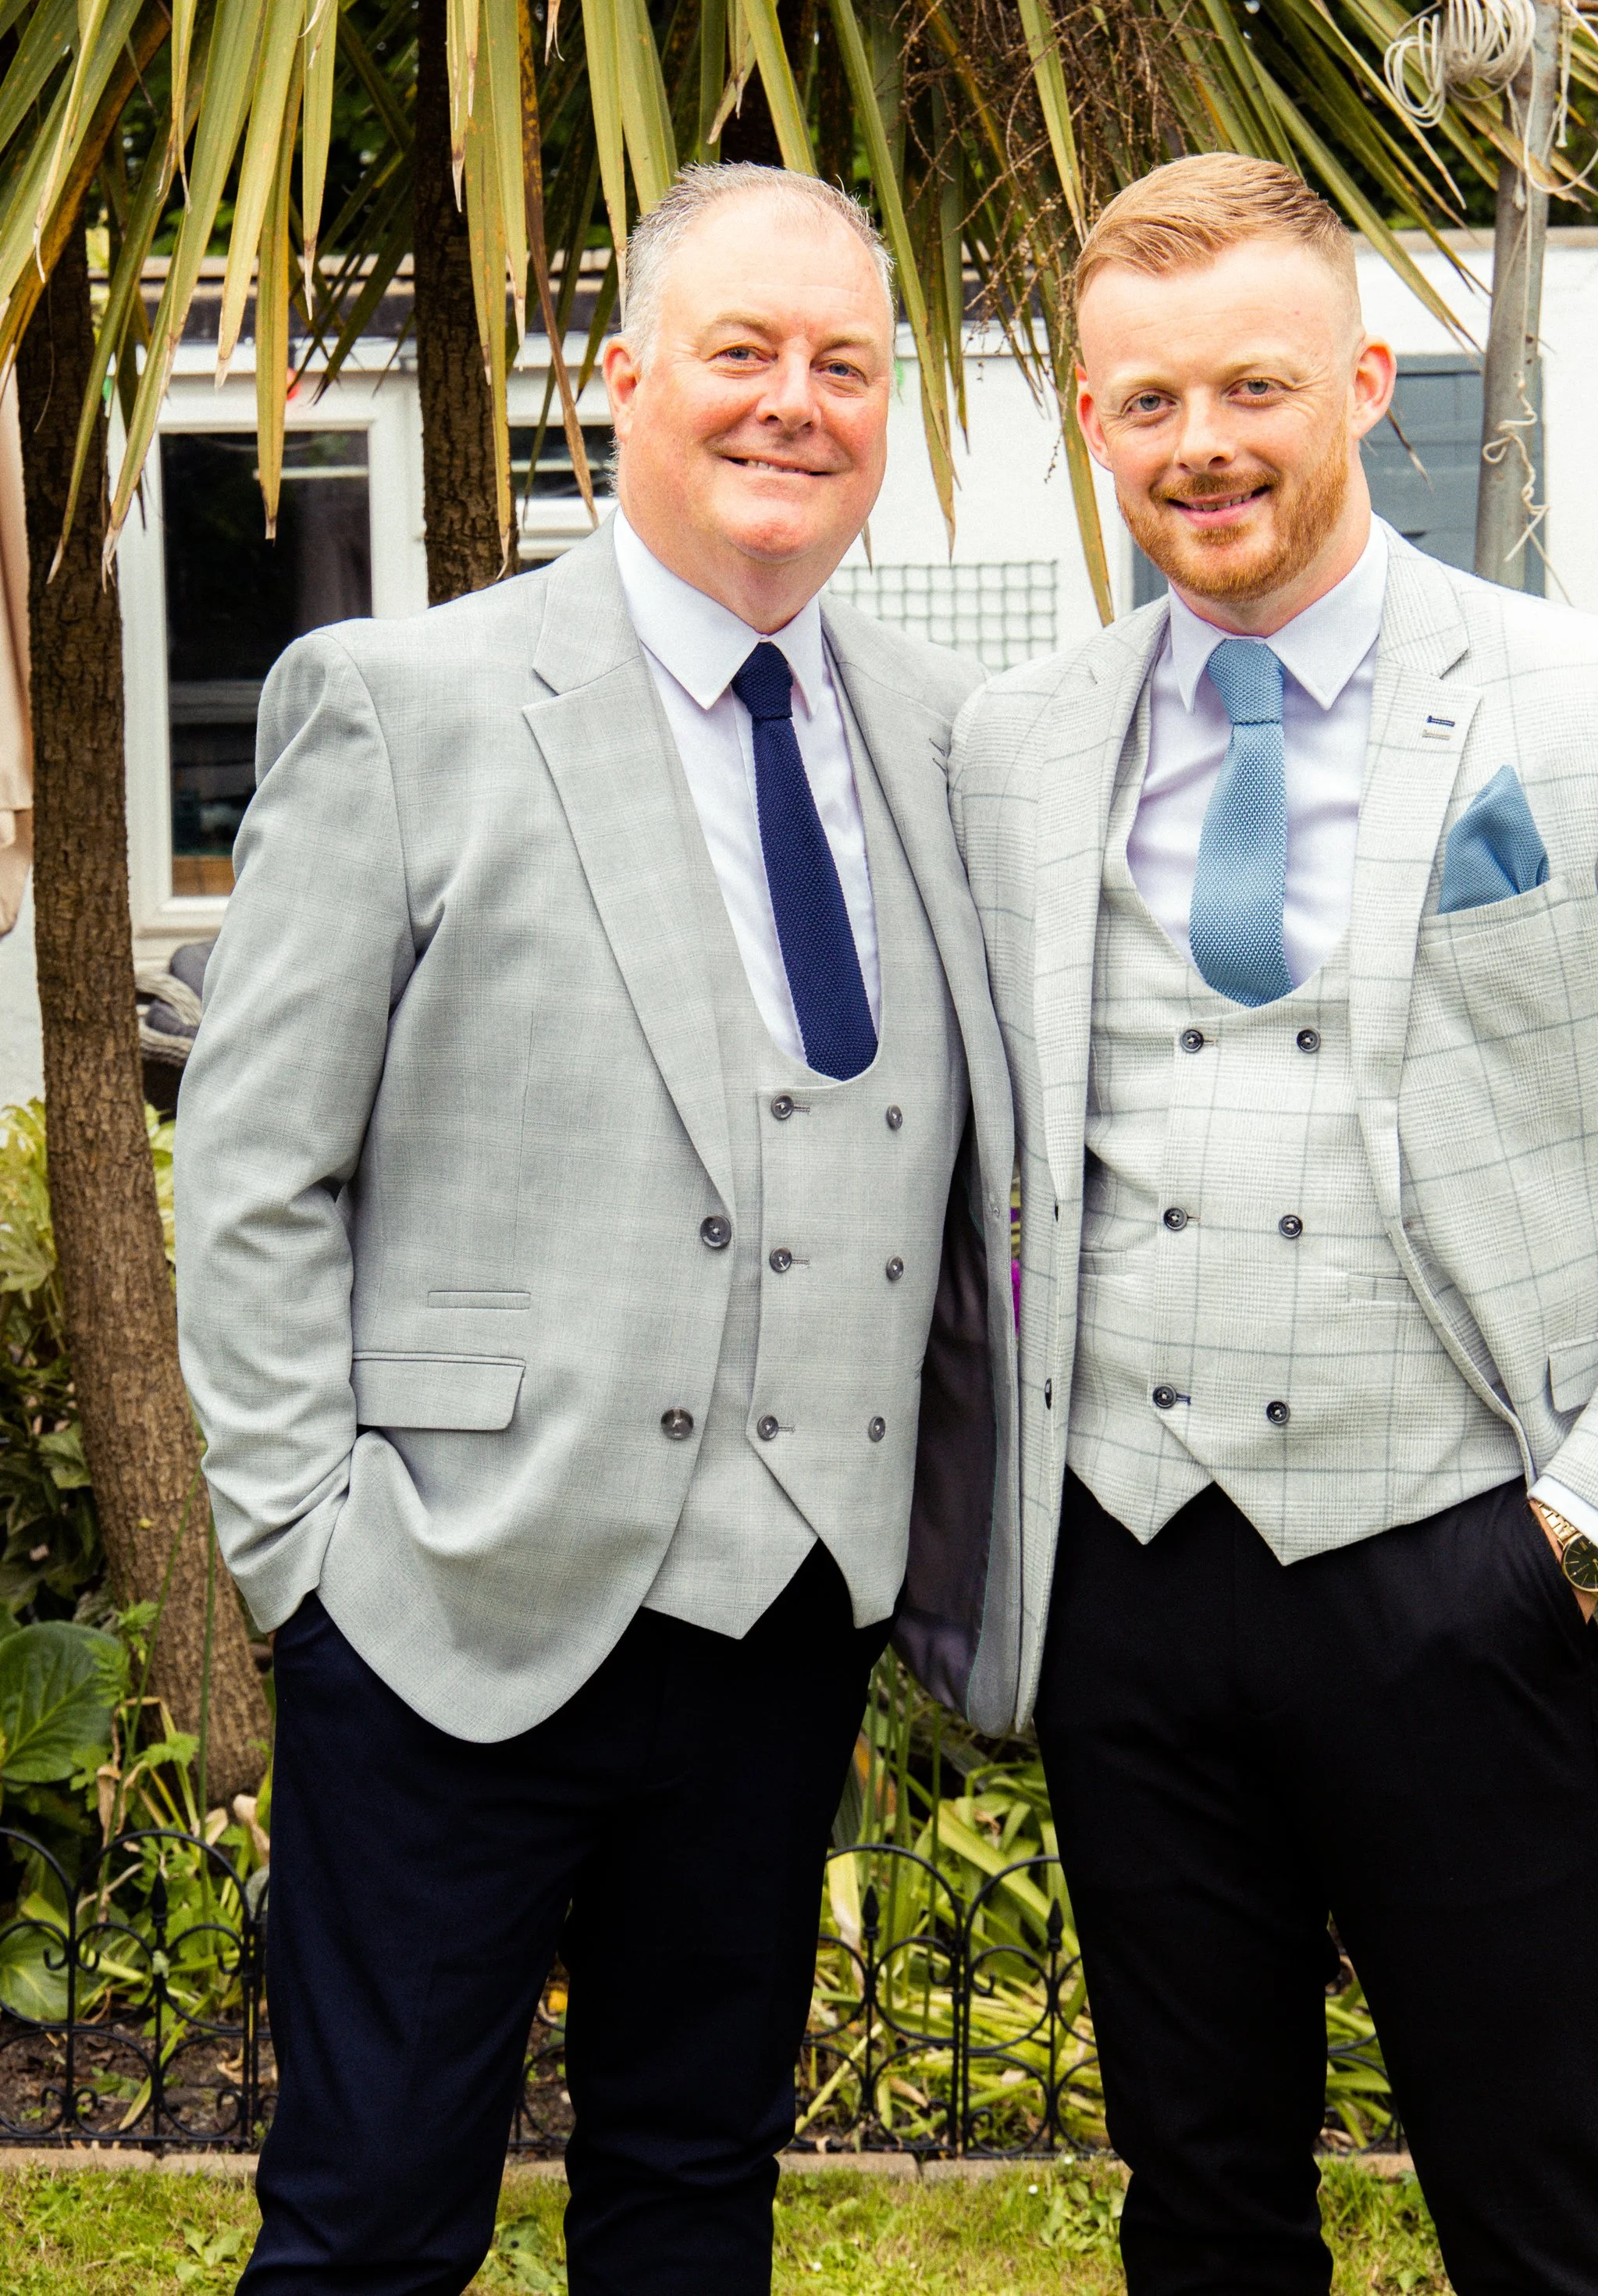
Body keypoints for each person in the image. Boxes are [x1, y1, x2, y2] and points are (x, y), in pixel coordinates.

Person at [949, 154, 1598, 2296]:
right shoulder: (1013, 742)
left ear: (1364, 380)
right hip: (1124, 1569)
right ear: (1092, 421)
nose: (1202, 444)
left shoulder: (1590, 703)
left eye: (1253, 385)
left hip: (1455, 1564)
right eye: (1149, 401)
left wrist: (1575, 1530)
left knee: (1534, 2202)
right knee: (1201, 2198)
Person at [175, 164, 1019, 2296]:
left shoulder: (947, 737)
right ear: (622, 381)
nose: (792, 400)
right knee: (369, 2222)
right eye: (741, 350)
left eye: (843, 364)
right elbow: (259, 1168)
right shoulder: (408, 703)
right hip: (447, 1595)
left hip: (784, 1610)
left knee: (693, 2195)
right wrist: (305, 1555)